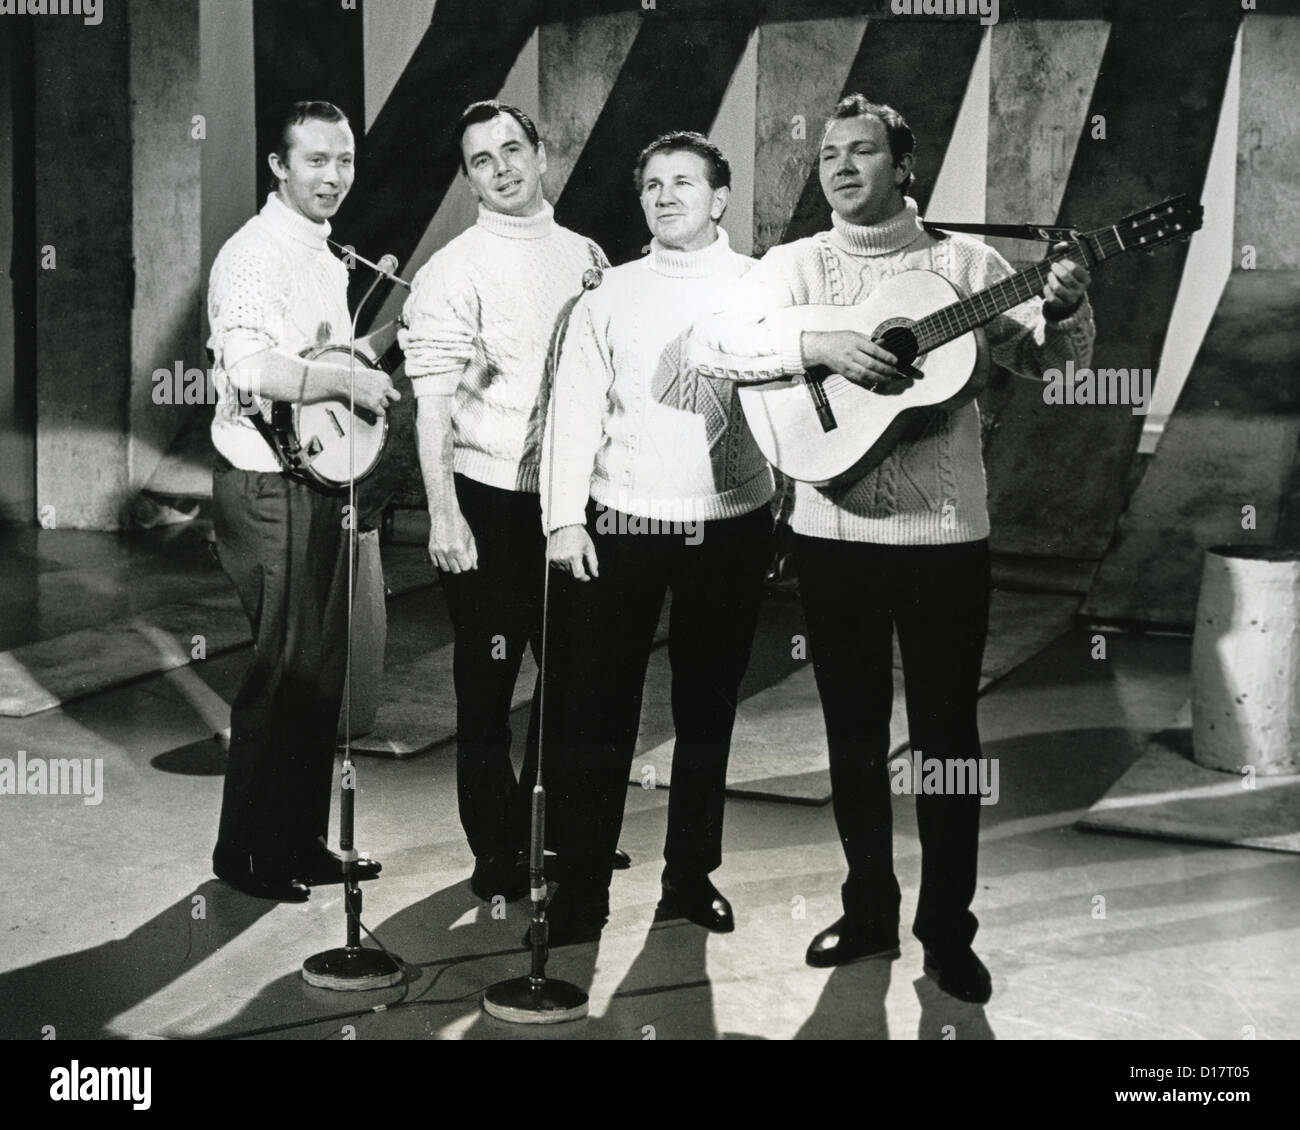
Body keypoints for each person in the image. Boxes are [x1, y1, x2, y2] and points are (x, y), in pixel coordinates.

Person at [685, 96, 1095, 1002]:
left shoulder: (967, 262)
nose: (838, 165)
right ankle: (869, 908)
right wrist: (821, 342)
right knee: (853, 732)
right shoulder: (793, 266)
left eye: (860, 150)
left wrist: (1067, 310)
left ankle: (948, 931)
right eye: (828, 151)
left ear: (903, 167)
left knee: (948, 736)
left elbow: (1052, 367)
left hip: (947, 537)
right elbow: (716, 344)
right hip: (832, 536)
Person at [536, 132, 775, 946]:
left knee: (706, 713)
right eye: (651, 185)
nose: (666, 195)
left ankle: (690, 880)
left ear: (719, 197)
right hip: (622, 524)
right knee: (597, 712)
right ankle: (580, 891)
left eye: (684, 182)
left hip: (734, 525)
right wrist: (565, 518)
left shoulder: (762, 286)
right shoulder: (609, 295)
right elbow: (574, 411)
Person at [399, 101, 619, 903]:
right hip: (488, 507)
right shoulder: (451, 271)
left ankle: (554, 837)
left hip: (573, 508)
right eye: (481, 160)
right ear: (469, 179)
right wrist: (444, 514)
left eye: (512, 149)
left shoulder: (588, 255)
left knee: (573, 682)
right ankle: (494, 850)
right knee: (488, 686)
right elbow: (431, 408)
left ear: (542, 155)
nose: (501, 167)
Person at [207, 101, 399, 901]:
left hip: (314, 483)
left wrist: (380, 345)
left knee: (320, 674)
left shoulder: (322, 252)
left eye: (344, 160)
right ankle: (246, 854)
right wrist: (348, 378)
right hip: (265, 484)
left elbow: (320, 355)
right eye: (315, 161)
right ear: (278, 167)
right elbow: (250, 366)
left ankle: (299, 840)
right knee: (282, 671)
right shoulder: (253, 252)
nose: (333, 176)